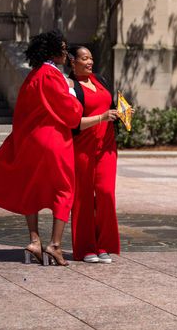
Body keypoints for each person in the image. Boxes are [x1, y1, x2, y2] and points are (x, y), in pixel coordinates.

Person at [0, 30, 83, 266]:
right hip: (53, 138)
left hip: (31, 139)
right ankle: (55, 245)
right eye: (64, 48)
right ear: (54, 51)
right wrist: (72, 92)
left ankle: (34, 241)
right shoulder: (52, 75)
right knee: (64, 188)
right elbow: (70, 111)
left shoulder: (33, 75)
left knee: (32, 187)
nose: (67, 54)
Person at [67, 45, 120, 264]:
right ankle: (86, 247)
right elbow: (73, 123)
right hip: (83, 148)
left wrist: (122, 114)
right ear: (73, 62)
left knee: (106, 194)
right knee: (84, 198)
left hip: (107, 147)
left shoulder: (100, 80)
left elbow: (111, 108)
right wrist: (102, 117)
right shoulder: (71, 87)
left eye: (91, 58)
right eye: (84, 58)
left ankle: (104, 245)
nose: (89, 62)